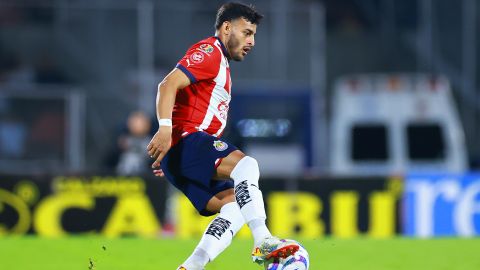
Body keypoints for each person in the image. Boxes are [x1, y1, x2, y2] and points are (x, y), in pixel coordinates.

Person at [147, 3, 299, 270]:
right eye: (247, 32)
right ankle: (263, 239)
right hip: (187, 139)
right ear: (226, 28)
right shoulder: (210, 52)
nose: (251, 41)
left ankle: (191, 266)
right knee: (247, 165)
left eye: (254, 35)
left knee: (236, 206)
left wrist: (174, 156)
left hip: (183, 152)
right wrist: (166, 129)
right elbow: (167, 84)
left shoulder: (221, 63)